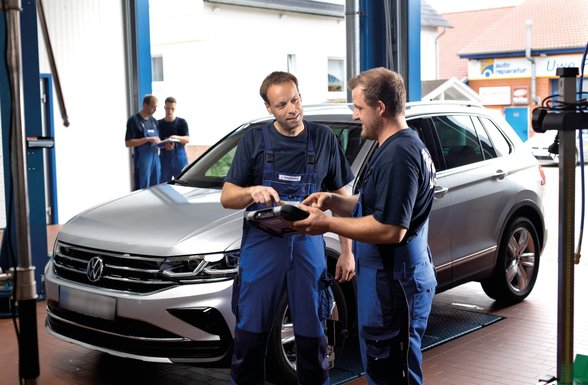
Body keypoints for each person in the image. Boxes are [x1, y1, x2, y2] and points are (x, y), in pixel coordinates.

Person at [293, 67, 438, 385]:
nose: (356, 116)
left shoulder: (400, 155)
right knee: (383, 369)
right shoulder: (397, 147)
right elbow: (375, 202)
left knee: (393, 375)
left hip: (395, 286)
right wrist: (334, 200)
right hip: (389, 284)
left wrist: (328, 224)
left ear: (380, 108)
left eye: (359, 108)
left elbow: (391, 229)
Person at [220, 71, 355, 385]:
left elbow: (342, 200)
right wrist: (250, 192)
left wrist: (347, 252)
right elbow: (228, 197)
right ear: (269, 108)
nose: (292, 109)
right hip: (262, 248)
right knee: (250, 333)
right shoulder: (254, 140)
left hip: (307, 247)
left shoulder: (323, 139)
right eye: (282, 105)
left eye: (295, 99)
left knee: (312, 333)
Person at [125, 94, 161, 190]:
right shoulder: (134, 121)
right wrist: (147, 139)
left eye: (156, 107)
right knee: (142, 189)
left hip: (155, 160)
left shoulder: (154, 121)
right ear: (145, 104)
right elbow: (128, 143)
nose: (155, 109)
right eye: (153, 106)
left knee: (156, 188)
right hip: (143, 161)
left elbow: (158, 140)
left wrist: (165, 144)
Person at [158, 96, 190, 182]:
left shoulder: (182, 122)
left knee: (182, 184)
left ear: (175, 108)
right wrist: (164, 145)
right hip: (164, 160)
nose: (170, 111)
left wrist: (175, 137)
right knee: (162, 187)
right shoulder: (159, 124)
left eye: (172, 109)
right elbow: (156, 143)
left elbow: (187, 139)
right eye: (167, 108)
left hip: (179, 158)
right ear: (164, 107)